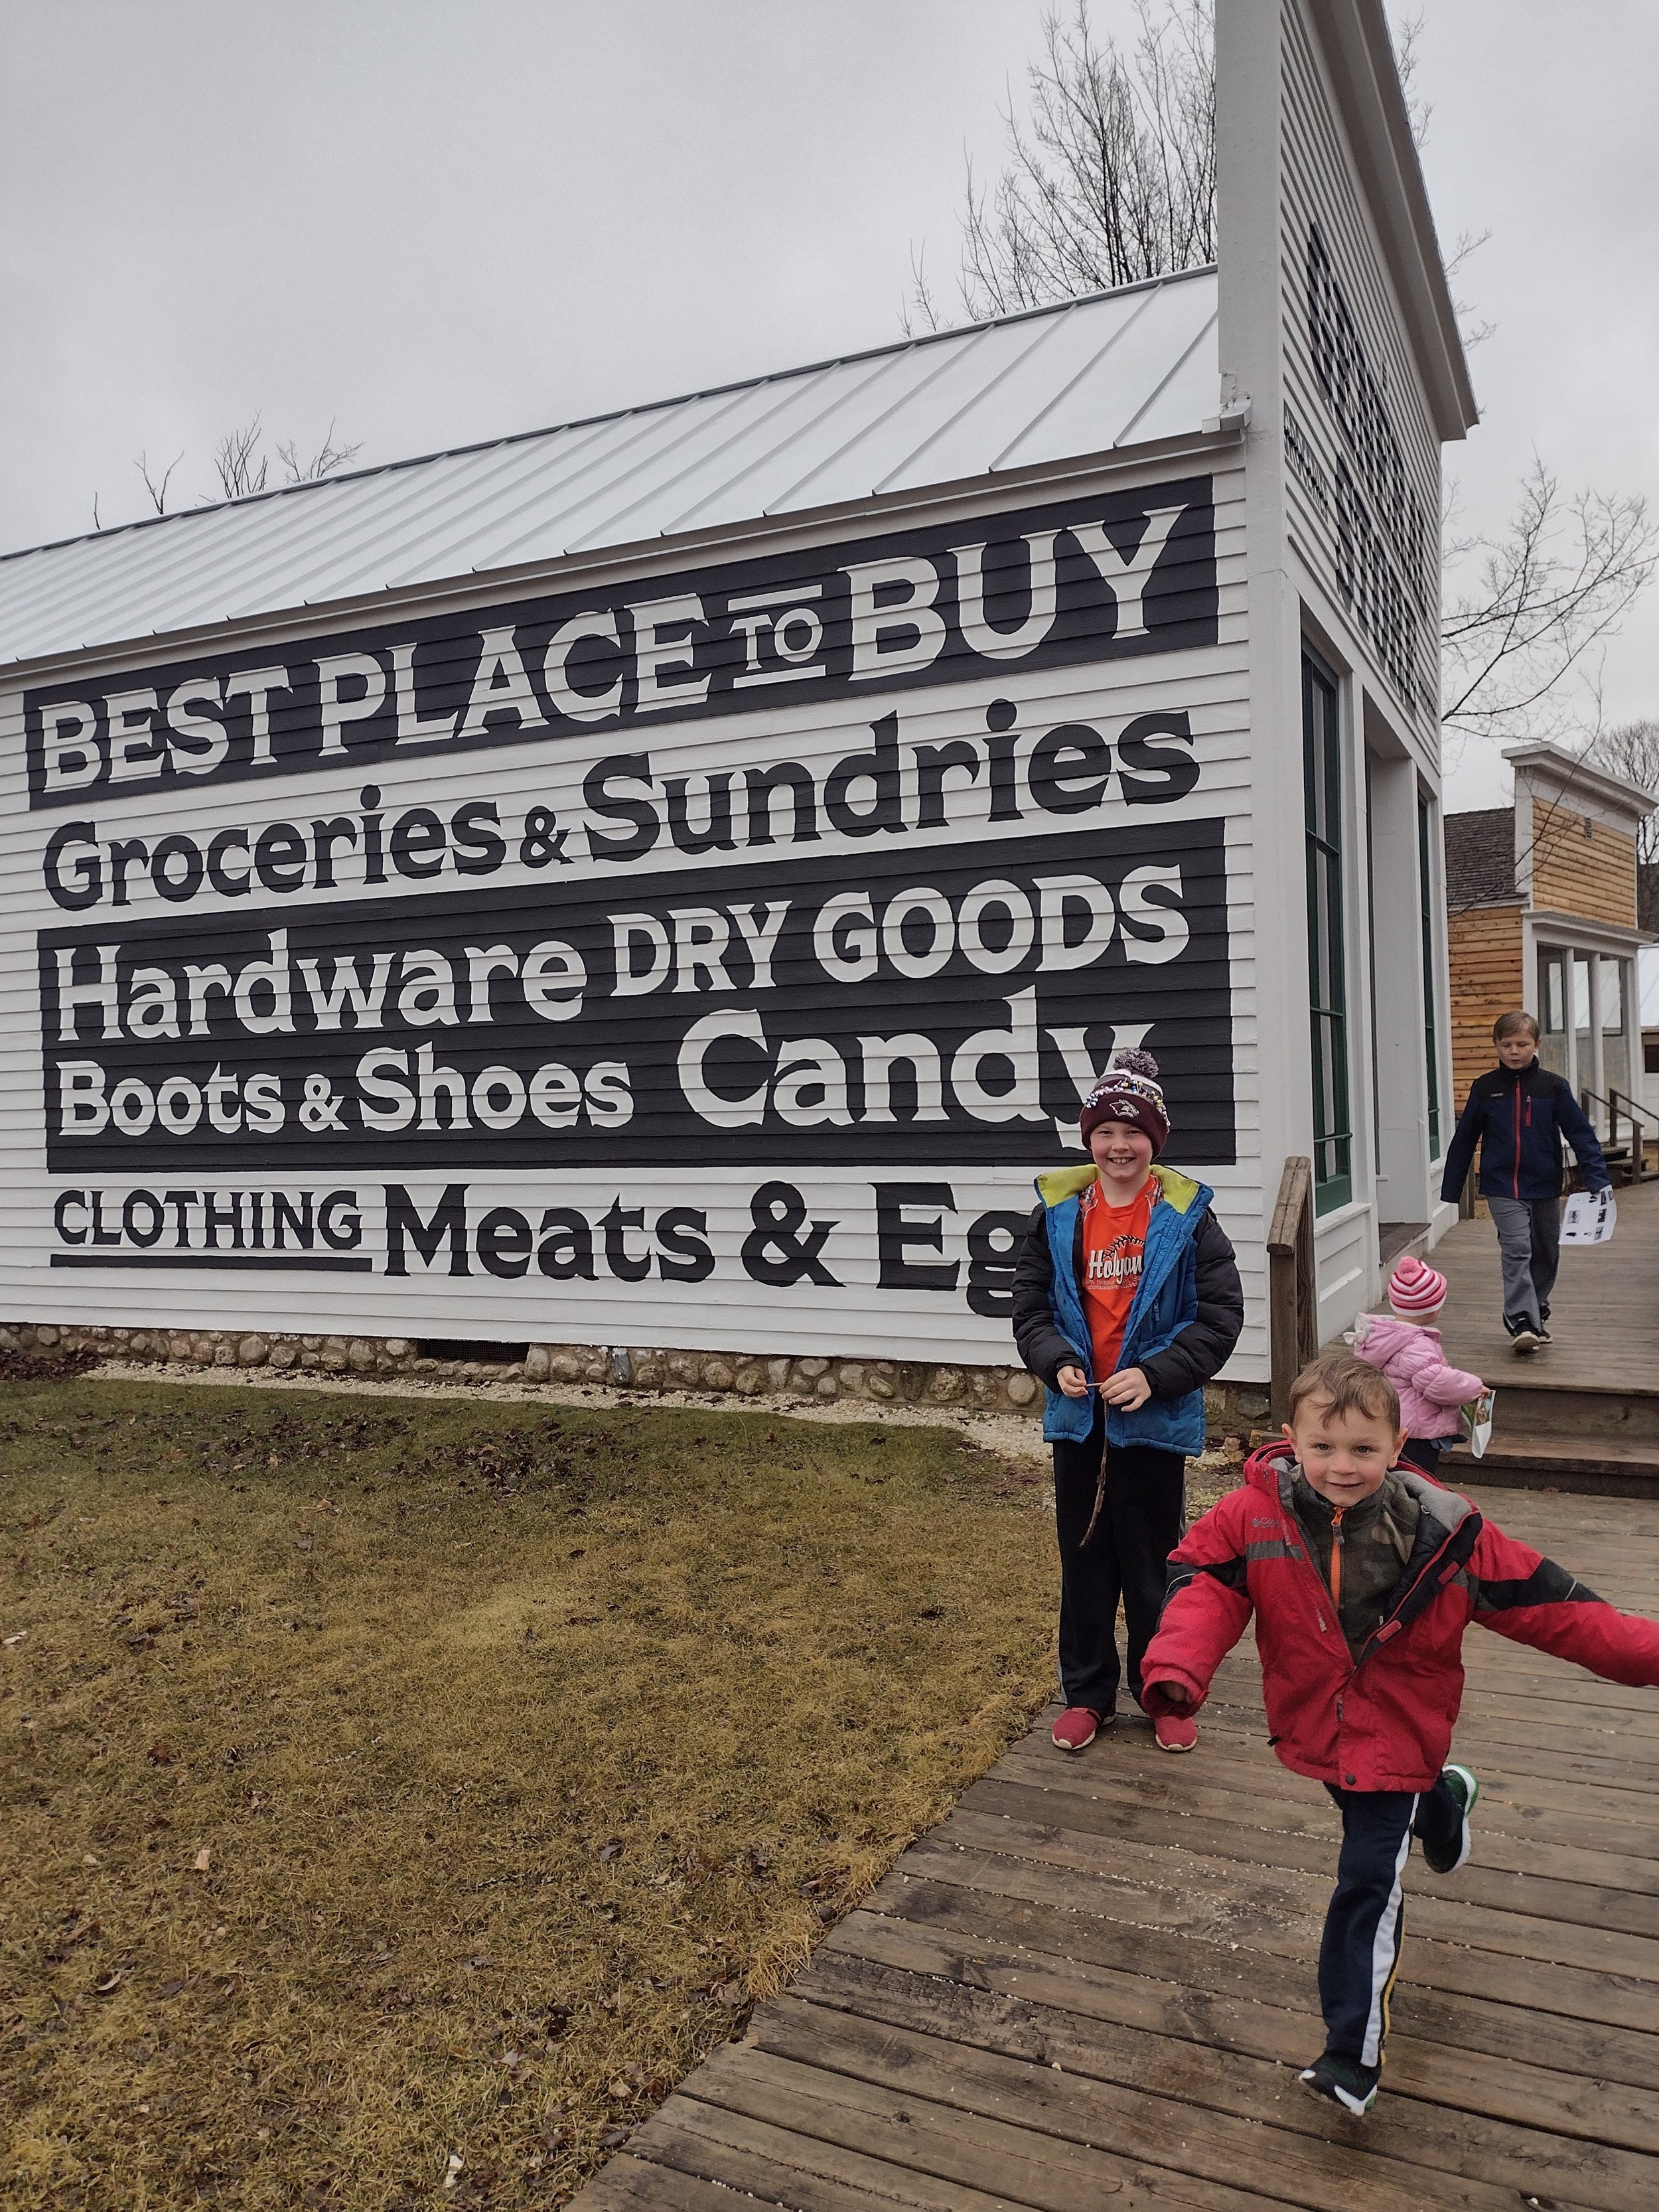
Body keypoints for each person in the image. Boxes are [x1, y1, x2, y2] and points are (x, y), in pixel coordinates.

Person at [1141, 1351, 1659, 2118]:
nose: (1341, 1466)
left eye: (1362, 1449)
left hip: (1401, 1733)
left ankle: (1352, 2053)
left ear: (1398, 1442)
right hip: (1316, 1729)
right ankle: (1443, 1803)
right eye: (1322, 1447)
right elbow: (1202, 1586)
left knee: (1367, 1884)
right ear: (1290, 1439)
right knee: (1374, 1822)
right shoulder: (1251, 1516)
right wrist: (1177, 1666)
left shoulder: (1450, 1535)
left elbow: (1561, 1613)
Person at [1012, 1047, 1244, 1757]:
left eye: (1134, 1132)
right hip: (1080, 1424)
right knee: (1084, 1566)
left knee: (1154, 1568)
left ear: (1155, 1140)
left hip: (1153, 1424)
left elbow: (1217, 1317)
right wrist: (1055, 1363)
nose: (1119, 1146)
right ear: (1089, 1138)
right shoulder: (1056, 1214)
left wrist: (1156, 1374)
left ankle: (1162, 1692)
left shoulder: (1186, 1218)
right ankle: (1087, 1695)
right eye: (1106, 1132)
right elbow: (1029, 1310)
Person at [1439, 1009, 1612, 1355]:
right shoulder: (1485, 1088)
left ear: (1537, 1044)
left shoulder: (1553, 1087)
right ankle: (1521, 1320)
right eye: (1506, 1045)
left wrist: (1598, 1179)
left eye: (1522, 1044)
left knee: (1547, 1252)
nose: (1514, 1051)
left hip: (1545, 1185)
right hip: (1502, 1186)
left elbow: (1581, 1135)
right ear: (1496, 1046)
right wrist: (1452, 1188)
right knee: (1517, 1249)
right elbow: (1465, 1138)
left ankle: (1537, 1309)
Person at [1351, 1252, 1486, 1477]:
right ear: (1433, 1310)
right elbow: (1438, 1383)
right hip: (1415, 1433)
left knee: (1393, 1475)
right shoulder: (1416, 1346)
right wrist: (1473, 1388)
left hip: (1388, 1422)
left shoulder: (1381, 1336)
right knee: (1418, 1478)